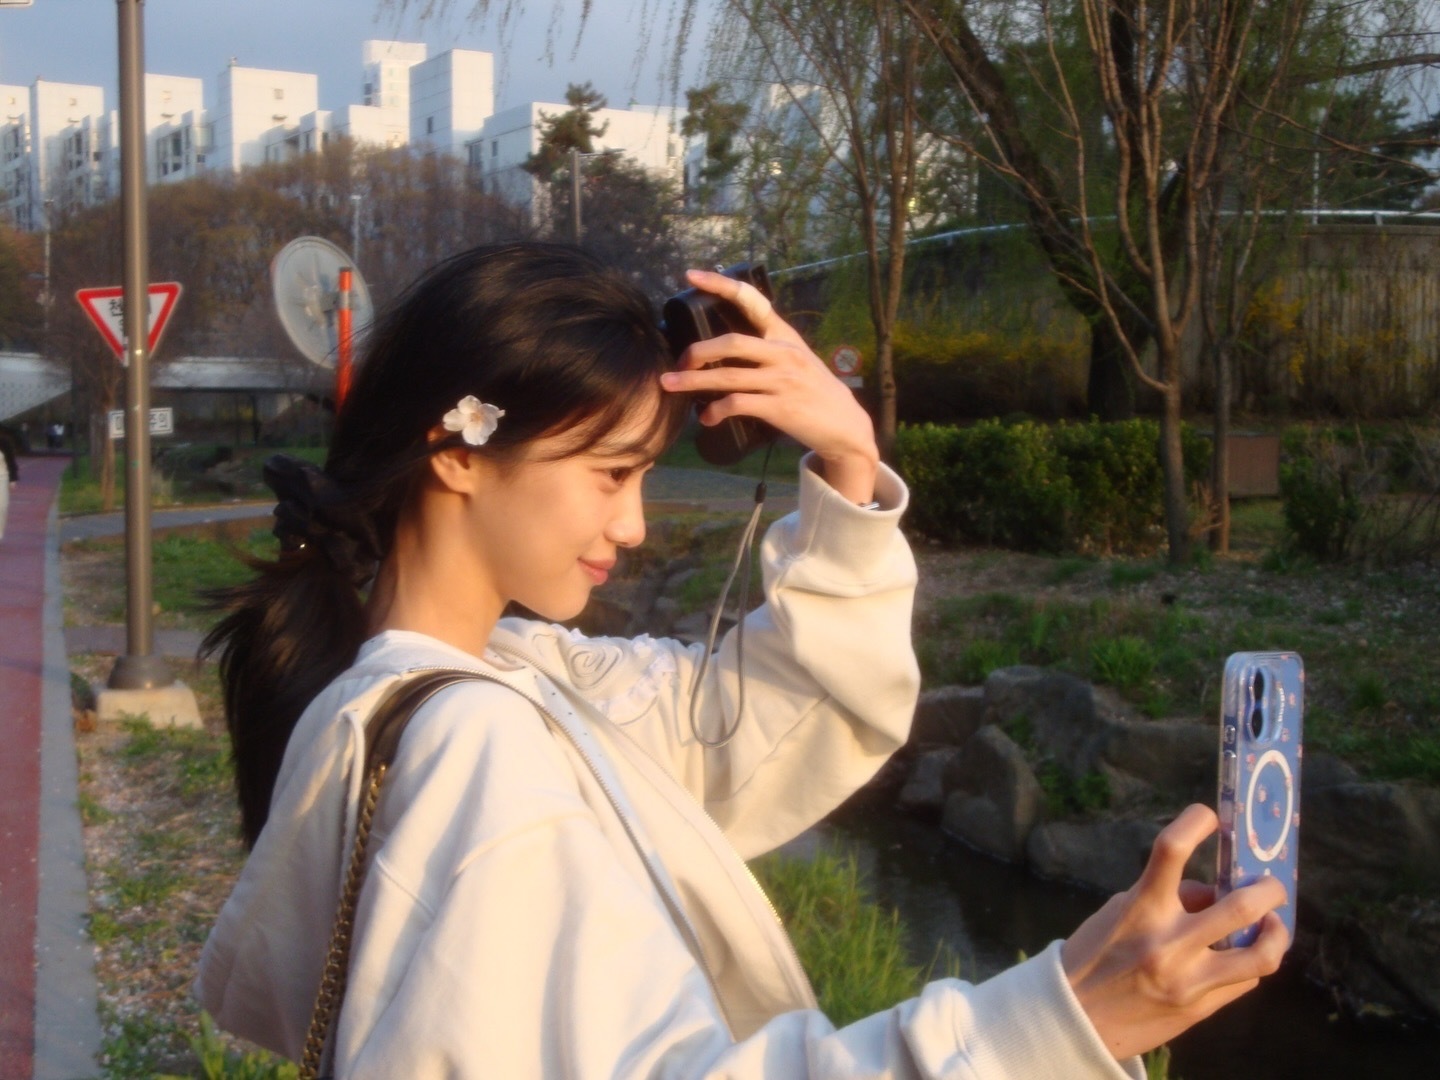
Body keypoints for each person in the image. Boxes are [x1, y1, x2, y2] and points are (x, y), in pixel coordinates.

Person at [196, 242, 1288, 1078]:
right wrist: (1066, 1016)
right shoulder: (473, 743)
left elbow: (760, 718)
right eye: (610, 473)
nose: (633, 526)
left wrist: (847, 458)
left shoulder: (499, 683)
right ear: (458, 451)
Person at [0, 426, 18, 542]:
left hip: (2, 477)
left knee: (2, 506)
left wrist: (13, 479)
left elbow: (11, 461)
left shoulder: (4, 442)